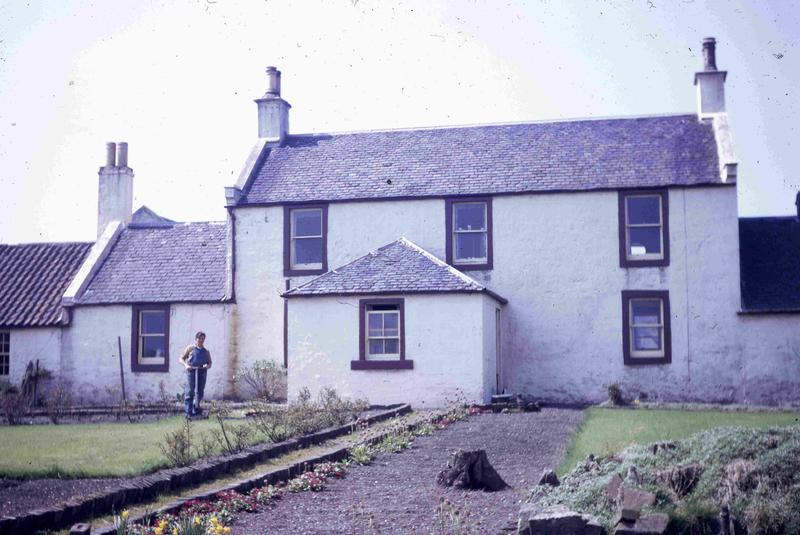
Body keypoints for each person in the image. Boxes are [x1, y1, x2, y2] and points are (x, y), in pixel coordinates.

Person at [180, 331, 212, 418]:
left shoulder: (206, 351)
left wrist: (207, 366)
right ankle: (188, 412)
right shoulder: (190, 348)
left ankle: (196, 408)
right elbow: (181, 359)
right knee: (190, 391)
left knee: (200, 392)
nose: (201, 341)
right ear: (195, 339)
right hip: (191, 371)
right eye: (199, 339)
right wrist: (186, 365)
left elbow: (210, 363)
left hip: (202, 372)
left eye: (202, 339)